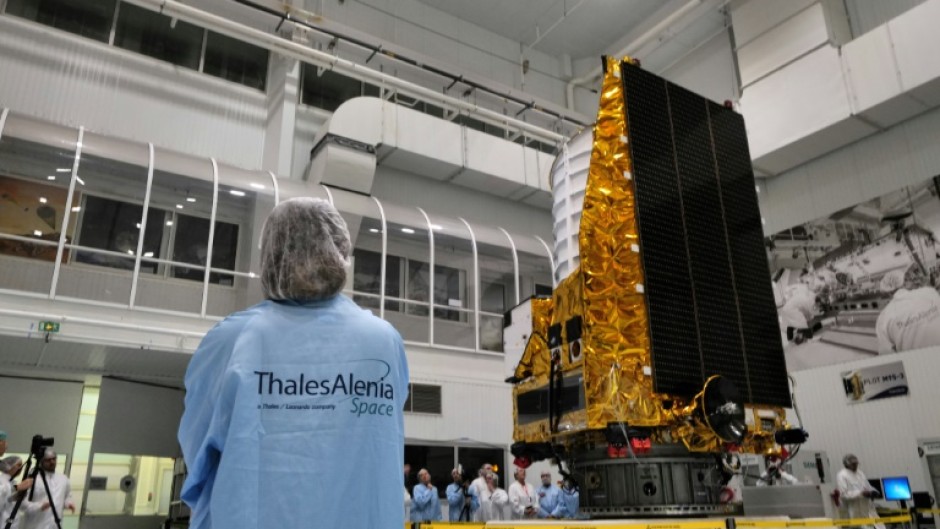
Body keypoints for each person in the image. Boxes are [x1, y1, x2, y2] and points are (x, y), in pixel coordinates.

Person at [177, 198, 410, 529]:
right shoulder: (383, 341)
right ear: (339, 252)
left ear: (272, 255)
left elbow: (198, 451)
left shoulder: (232, 340)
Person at [876, 264, 940, 354]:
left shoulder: (883, 318)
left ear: (887, 292)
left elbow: (886, 354)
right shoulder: (930, 292)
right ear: (904, 282)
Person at [20, 450, 74, 529]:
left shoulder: (63, 479)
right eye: (48, 460)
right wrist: (38, 506)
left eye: (54, 459)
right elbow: (21, 503)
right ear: (41, 461)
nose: (52, 462)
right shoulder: (32, 479)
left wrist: (68, 503)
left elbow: (67, 496)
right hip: (36, 525)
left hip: (55, 524)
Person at [836, 454, 884, 529]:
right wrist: (861, 493)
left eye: (856, 464)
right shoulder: (842, 475)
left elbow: (867, 486)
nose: (855, 466)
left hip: (866, 509)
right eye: (853, 464)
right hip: (852, 510)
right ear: (847, 464)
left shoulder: (860, 473)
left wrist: (873, 491)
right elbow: (843, 494)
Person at [1, 456, 34, 527]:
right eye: (19, 465)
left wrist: (14, 497)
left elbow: (6, 500)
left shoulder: (13, 482)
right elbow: (2, 492)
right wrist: (17, 487)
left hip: (11, 522)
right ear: (9, 466)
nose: (21, 468)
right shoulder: (1, 481)